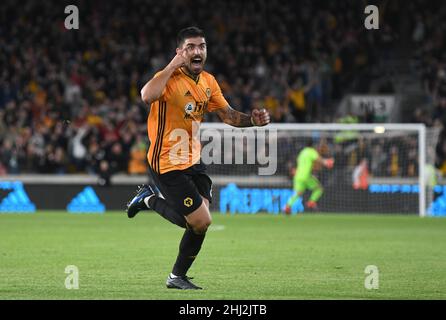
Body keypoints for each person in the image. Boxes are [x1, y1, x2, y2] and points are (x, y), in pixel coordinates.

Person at [125, 27, 270, 290]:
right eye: (190, 47)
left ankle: (176, 277)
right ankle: (148, 200)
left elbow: (228, 115)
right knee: (201, 221)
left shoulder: (208, 82)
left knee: (197, 223)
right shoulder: (167, 79)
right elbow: (146, 95)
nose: (197, 51)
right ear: (180, 52)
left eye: (201, 46)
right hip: (167, 162)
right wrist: (171, 65)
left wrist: (252, 121)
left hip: (193, 160)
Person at [284, 141, 334, 214]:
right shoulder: (311, 151)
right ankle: (312, 201)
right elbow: (318, 159)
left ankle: (288, 206)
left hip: (298, 176)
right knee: (319, 188)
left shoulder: (302, 153)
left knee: (298, 193)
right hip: (306, 175)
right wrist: (326, 162)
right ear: (312, 146)